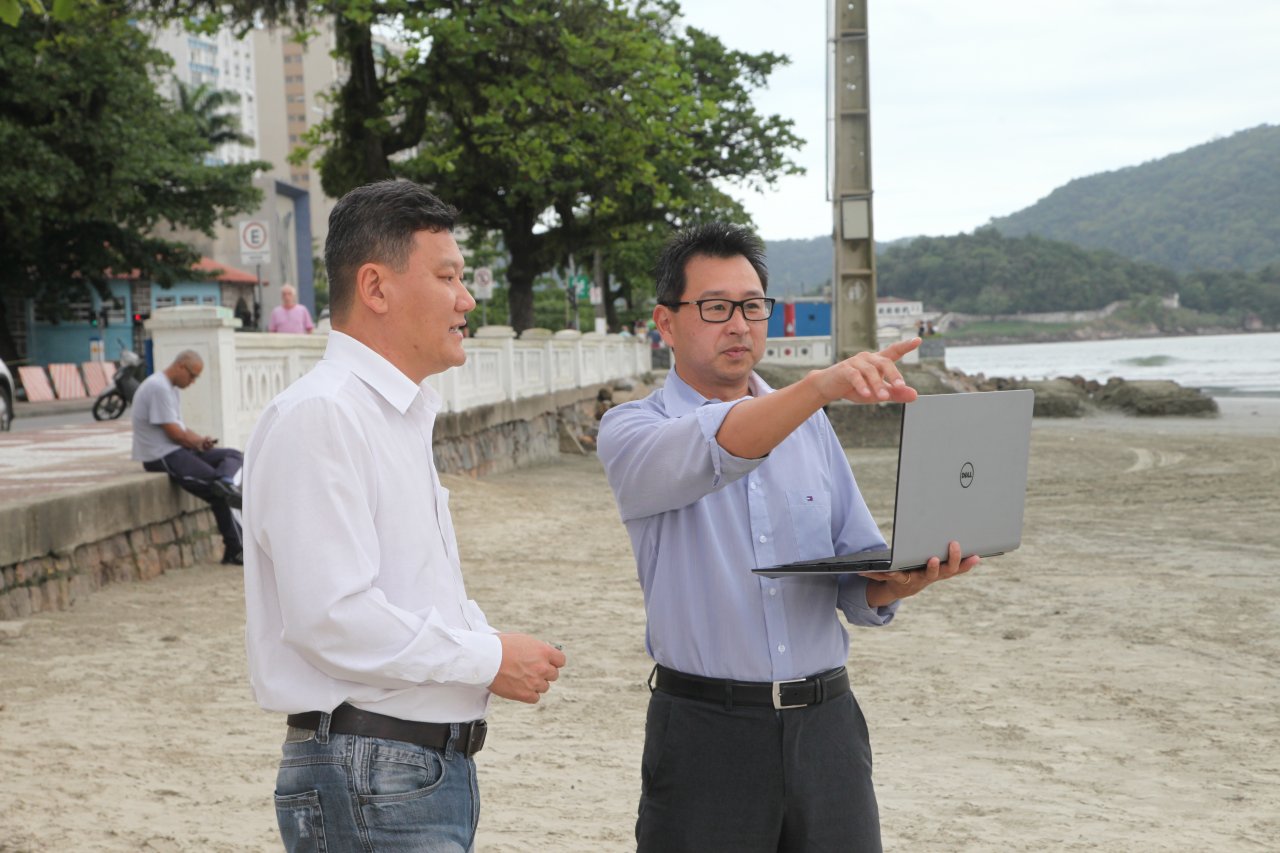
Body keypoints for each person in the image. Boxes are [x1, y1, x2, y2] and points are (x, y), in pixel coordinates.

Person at [597, 223, 979, 852]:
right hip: (705, 731)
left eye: (752, 307)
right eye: (715, 307)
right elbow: (721, 444)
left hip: (828, 728)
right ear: (665, 323)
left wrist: (897, 581)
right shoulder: (632, 430)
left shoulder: (811, 428)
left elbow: (855, 573)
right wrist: (822, 385)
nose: (739, 325)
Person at [242, 180, 567, 852]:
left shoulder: (397, 413)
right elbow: (330, 616)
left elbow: (410, 589)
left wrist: (488, 643)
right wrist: (483, 656)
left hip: (409, 769)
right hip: (371, 769)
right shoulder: (323, 414)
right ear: (376, 287)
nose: (466, 299)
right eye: (446, 275)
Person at [131, 350, 244, 565]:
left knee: (234, 455)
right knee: (217, 491)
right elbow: (174, 434)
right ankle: (236, 549)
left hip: (177, 449)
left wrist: (201, 442)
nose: (192, 382)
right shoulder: (158, 387)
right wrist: (196, 444)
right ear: (180, 366)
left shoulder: (169, 388)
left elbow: (181, 429)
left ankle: (226, 481)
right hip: (161, 455)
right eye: (192, 376)